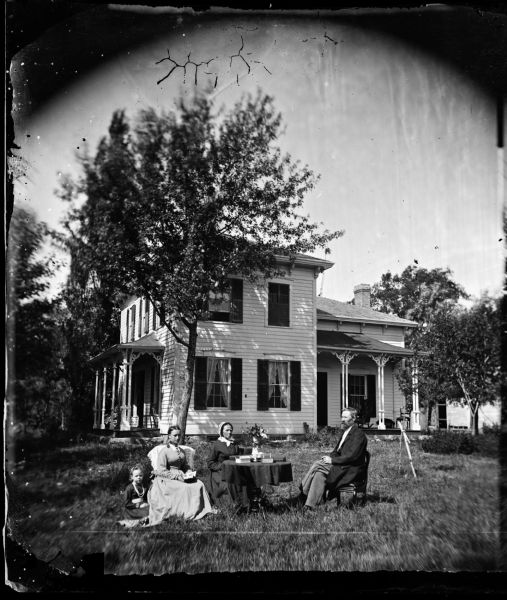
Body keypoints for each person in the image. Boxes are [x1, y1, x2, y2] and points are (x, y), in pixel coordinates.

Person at [299, 407, 367, 512]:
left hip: (350, 469)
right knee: (319, 473)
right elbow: (337, 451)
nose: (342, 419)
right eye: (342, 416)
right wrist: (330, 457)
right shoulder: (346, 432)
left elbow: (352, 456)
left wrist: (332, 461)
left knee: (318, 464)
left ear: (353, 419)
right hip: (342, 465)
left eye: (345, 417)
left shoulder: (358, 434)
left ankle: (303, 490)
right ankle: (309, 506)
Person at [147, 425, 216, 524]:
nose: (177, 438)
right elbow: (162, 470)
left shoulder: (181, 450)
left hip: (182, 475)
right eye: (175, 435)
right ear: (169, 436)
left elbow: (185, 466)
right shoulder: (164, 451)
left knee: (199, 484)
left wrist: (188, 472)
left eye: (179, 435)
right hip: (168, 478)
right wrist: (176, 476)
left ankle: (203, 510)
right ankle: (186, 512)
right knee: (184, 488)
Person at [206, 422, 249, 510]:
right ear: (221, 431)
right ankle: (232, 507)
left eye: (231, 430)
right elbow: (210, 462)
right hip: (219, 472)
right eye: (227, 430)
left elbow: (239, 454)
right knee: (230, 483)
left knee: (245, 480)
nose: (229, 432)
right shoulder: (216, 445)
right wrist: (222, 466)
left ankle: (244, 506)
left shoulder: (233, 443)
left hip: (233, 470)